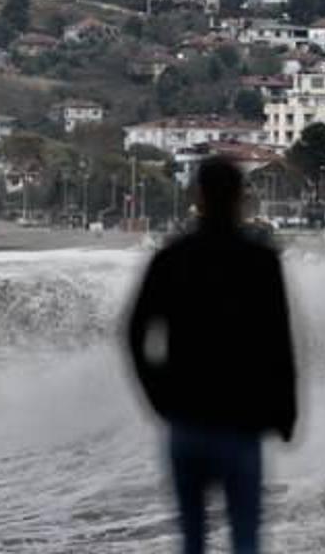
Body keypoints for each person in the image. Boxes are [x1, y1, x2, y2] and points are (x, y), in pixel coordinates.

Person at [126, 156, 298, 554]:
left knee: (193, 540)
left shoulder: (172, 257)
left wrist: (158, 395)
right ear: (241, 197)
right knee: (245, 539)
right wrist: (286, 412)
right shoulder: (261, 261)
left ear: (198, 196)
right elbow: (278, 343)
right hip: (242, 420)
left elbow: (135, 334)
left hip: (187, 417)